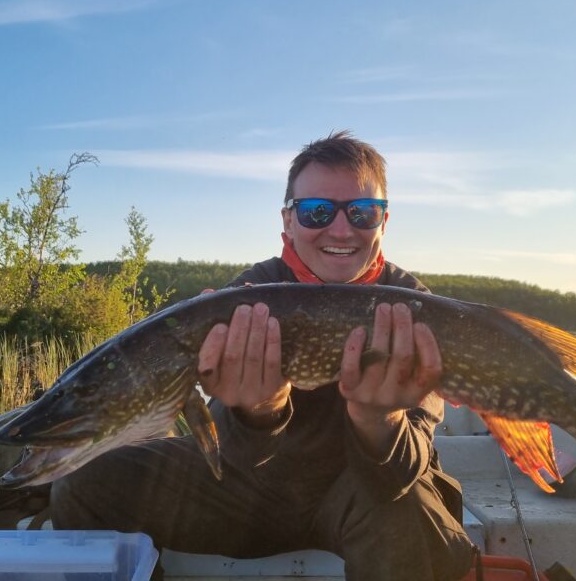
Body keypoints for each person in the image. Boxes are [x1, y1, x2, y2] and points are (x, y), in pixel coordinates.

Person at [51, 131, 475, 581]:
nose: (340, 228)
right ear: (289, 221)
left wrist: (379, 421)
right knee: (84, 480)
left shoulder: (413, 308)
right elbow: (229, 461)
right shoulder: (247, 298)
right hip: (254, 494)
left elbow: (402, 474)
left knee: (406, 510)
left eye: (362, 212)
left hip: (361, 495)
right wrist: (261, 412)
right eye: (316, 212)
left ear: (383, 223)